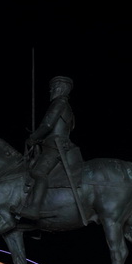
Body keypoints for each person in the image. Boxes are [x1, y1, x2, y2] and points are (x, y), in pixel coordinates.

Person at [15, 76, 76, 219]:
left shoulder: (59, 103)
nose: (50, 91)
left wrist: (33, 137)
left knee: (38, 173)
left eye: (53, 88)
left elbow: (48, 125)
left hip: (55, 147)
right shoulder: (67, 107)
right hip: (55, 145)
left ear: (60, 88)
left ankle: (34, 209)